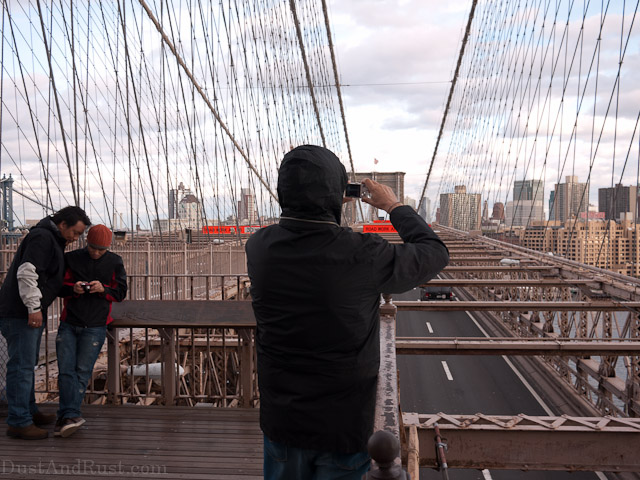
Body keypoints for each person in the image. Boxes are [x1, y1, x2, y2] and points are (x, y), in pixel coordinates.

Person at [245, 145, 449, 479]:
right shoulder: (363, 254)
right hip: (343, 426)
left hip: (282, 423)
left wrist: (326, 202)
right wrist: (393, 206)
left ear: (282, 191)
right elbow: (433, 253)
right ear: (338, 195)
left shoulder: (259, 248)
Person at [0, 206, 90, 440]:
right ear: (63, 225)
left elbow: (47, 279)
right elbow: (27, 274)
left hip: (22, 312)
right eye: (76, 233)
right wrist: (34, 309)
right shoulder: (42, 238)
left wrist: (71, 288)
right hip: (20, 313)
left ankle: (28, 411)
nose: (76, 239)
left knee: (26, 365)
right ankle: (19, 422)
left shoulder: (51, 238)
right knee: (21, 367)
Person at [54, 224, 127, 438]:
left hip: (95, 325)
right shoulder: (71, 258)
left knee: (81, 371)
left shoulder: (114, 262)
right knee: (66, 371)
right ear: (86, 242)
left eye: (100, 249)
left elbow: (121, 292)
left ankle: (66, 415)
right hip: (70, 322)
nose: (95, 252)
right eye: (92, 247)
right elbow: (58, 287)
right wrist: (73, 289)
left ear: (108, 247)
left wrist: (103, 289)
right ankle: (70, 415)